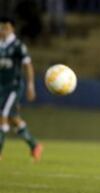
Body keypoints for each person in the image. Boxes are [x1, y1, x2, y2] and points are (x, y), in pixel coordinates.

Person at [0, 17, 43, 161]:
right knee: (12, 118)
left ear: (12, 29)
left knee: (2, 115)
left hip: (13, 87)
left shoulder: (18, 46)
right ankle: (34, 145)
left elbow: (28, 65)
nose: (2, 30)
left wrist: (31, 86)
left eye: (5, 27)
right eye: (1, 27)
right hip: (1, 87)